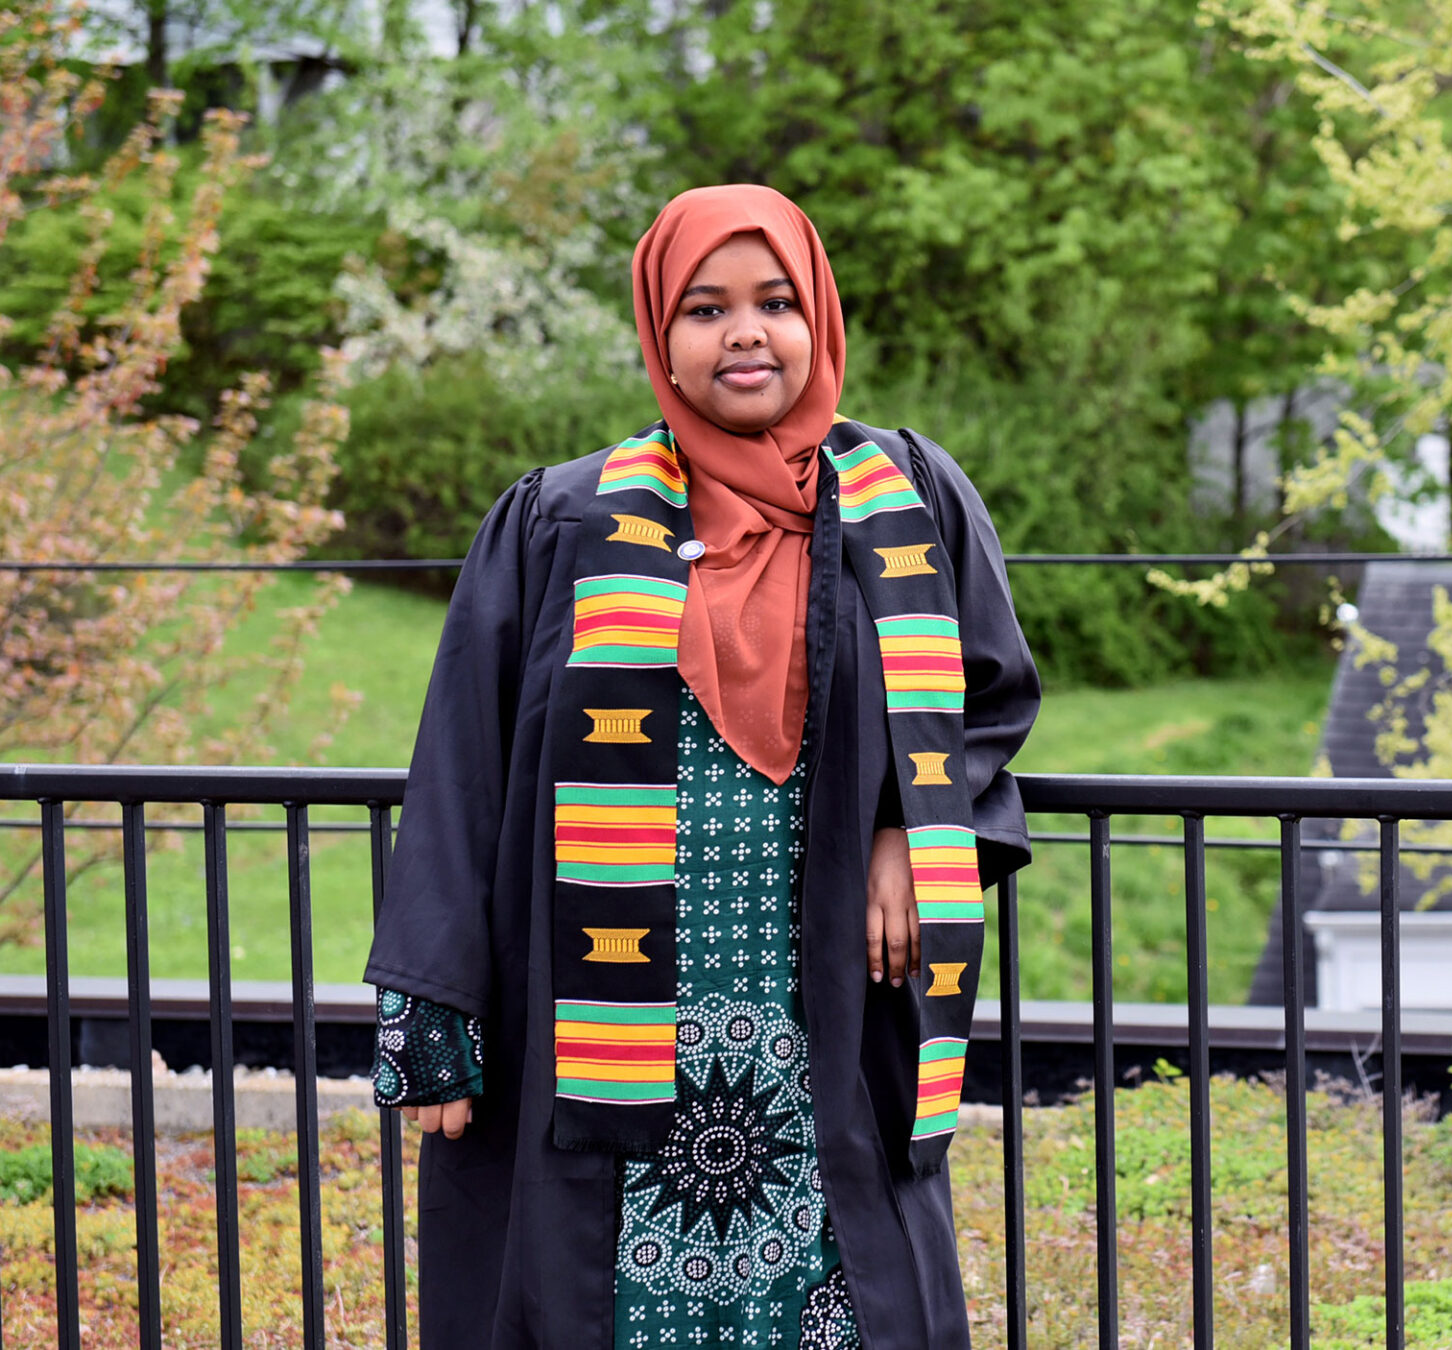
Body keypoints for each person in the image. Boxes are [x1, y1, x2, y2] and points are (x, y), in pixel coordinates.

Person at [364, 183, 1041, 1350]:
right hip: (605, 1013)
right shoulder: (564, 520)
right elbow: (460, 770)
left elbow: (989, 697)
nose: (745, 333)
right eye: (706, 307)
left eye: (776, 302)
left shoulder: (905, 499)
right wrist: (433, 1017)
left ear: (818, 319)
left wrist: (908, 831)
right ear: (658, 335)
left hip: (822, 990)